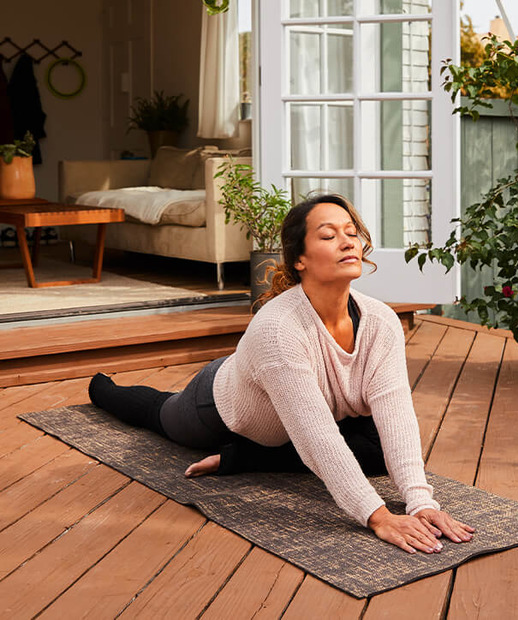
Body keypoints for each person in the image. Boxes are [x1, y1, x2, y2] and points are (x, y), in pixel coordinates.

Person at [89, 194, 474, 555]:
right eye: (328, 235)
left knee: (375, 455)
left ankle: (245, 458)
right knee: (162, 415)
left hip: (300, 416)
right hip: (221, 404)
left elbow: (396, 412)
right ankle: (102, 388)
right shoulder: (277, 328)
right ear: (299, 260)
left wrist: (421, 501)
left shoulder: (382, 321)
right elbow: (316, 435)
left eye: (351, 233)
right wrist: (379, 516)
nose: (346, 241)